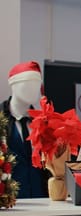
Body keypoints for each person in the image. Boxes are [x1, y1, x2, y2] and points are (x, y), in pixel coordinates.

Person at [1, 61, 48, 198]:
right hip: (10, 206)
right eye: (27, 84)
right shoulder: (1, 121)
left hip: (42, 203)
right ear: (13, 85)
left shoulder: (43, 123)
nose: (33, 90)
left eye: (36, 85)